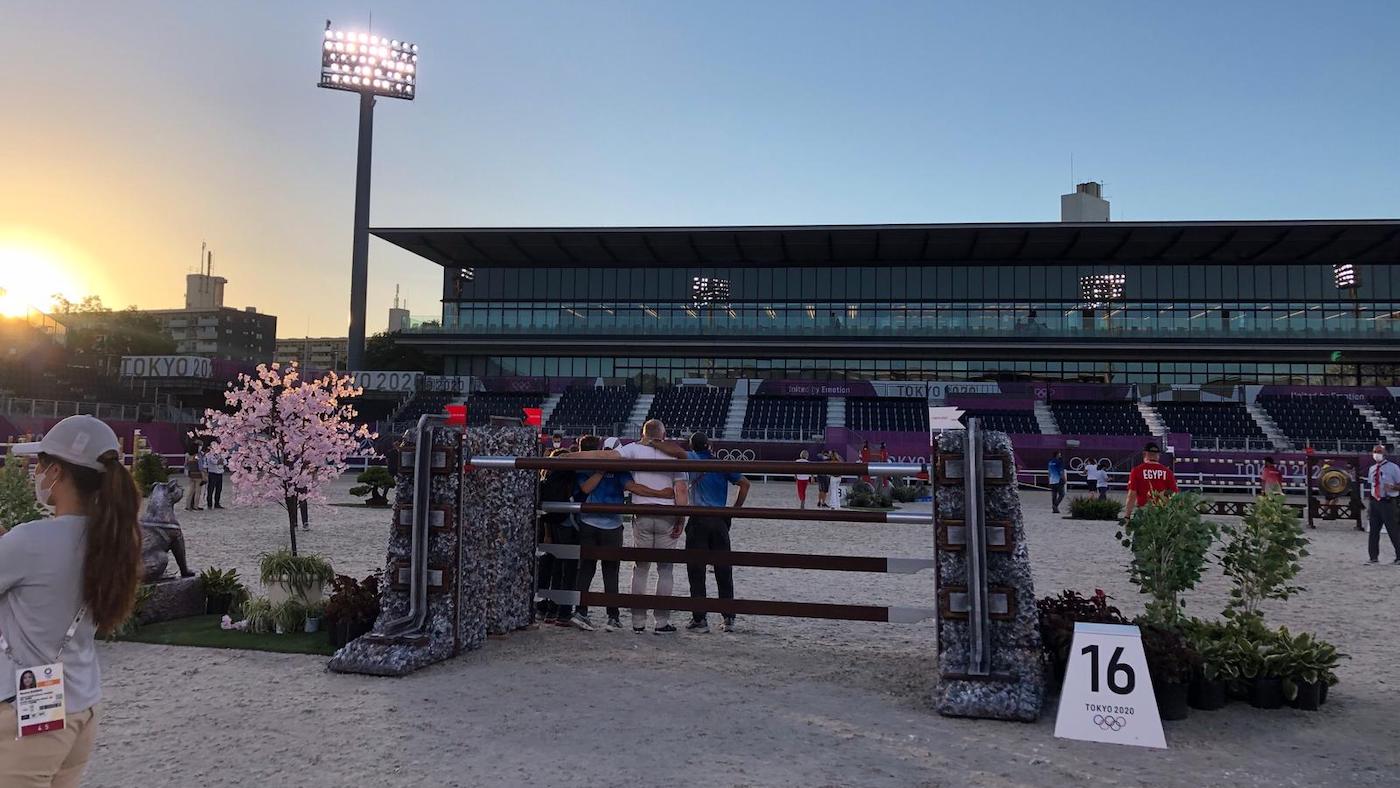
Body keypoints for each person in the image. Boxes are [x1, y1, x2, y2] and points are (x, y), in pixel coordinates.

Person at [2, 415, 143, 786]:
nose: (37, 473)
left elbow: (28, 554)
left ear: (57, 472)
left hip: (31, 709)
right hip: (81, 702)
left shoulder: (30, 540)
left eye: (40, 464)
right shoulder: (110, 539)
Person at [575, 420, 688, 634]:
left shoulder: (632, 450)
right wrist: (680, 518)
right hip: (666, 514)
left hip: (642, 513)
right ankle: (661, 622)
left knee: (641, 568)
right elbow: (681, 490)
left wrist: (564, 456)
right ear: (663, 435)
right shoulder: (674, 454)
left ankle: (637, 622)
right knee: (665, 570)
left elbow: (613, 462)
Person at [684, 432, 750, 633]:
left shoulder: (690, 459)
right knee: (723, 569)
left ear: (692, 446)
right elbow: (745, 484)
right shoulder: (721, 463)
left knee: (696, 570)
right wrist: (733, 510)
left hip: (698, 519)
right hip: (719, 519)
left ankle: (700, 618)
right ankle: (728, 617)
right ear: (709, 445)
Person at [570, 437, 630, 631]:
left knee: (589, 569)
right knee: (607, 571)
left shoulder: (588, 467)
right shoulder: (617, 470)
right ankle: (610, 615)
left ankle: (584, 612)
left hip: (590, 522)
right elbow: (587, 488)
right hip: (608, 525)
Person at [537, 446, 578, 625]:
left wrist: (546, 533)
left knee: (551, 568)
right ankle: (563, 611)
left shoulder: (546, 476)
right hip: (567, 524)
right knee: (568, 570)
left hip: (550, 525)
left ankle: (547, 609)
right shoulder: (570, 475)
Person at [1122, 442, 1179, 521]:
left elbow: (1132, 495)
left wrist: (1127, 516)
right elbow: (1174, 495)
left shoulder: (1137, 471)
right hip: (1162, 512)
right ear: (1158, 456)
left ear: (1144, 454)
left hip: (1144, 511)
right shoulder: (1168, 472)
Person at [1365, 444, 1400, 565]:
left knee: (1393, 530)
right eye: (1375, 451)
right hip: (1375, 501)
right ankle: (1373, 557)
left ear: (1385, 453)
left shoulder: (1393, 468)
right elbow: (1372, 485)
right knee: (1373, 531)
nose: (1377, 454)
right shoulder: (1372, 469)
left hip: (1388, 501)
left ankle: (1399, 556)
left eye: (1379, 451)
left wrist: (1393, 487)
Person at [202, 443, 226, 510]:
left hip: (220, 473)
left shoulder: (221, 454)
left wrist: (221, 461)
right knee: (210, 489)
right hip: (212, 473)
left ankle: (217, 503)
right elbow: (213, 461)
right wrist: (220, 461)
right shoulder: (209, 454)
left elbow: (225, 462)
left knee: (219, 489)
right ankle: (209, 504)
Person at [183, 447, 204, 511]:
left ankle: (188, 506)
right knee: (198, 491)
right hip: (198, 475)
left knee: (190, 491)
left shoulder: (188, 456)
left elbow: (186, 465)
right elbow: (200, 466)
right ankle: (195, 506)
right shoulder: (197, 456)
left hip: (191, 474)